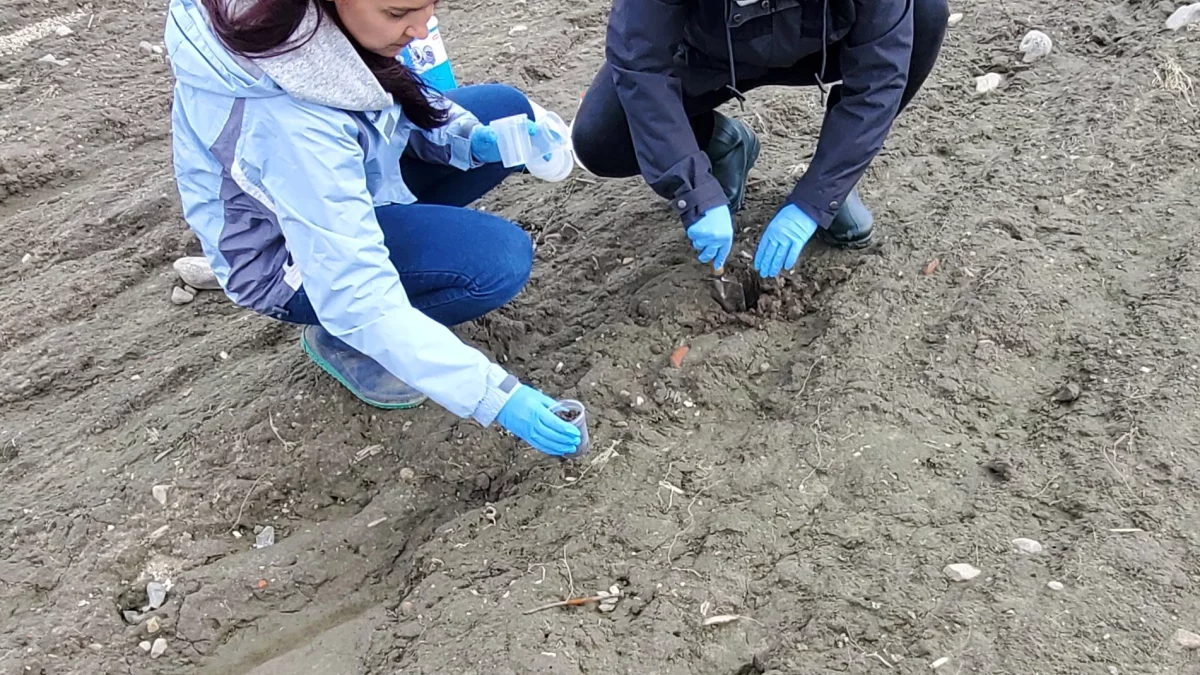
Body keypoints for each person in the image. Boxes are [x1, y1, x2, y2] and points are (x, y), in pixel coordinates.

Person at [165, 0, 582, 456]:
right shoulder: (288, 125)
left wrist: (474, 142)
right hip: (291, 260)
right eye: (399, 13)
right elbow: (354, 289)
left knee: (502, 110)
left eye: (429, 9)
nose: (420, 31)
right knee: (497, 261)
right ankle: (342, 339)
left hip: (346, 178)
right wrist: (497, 397)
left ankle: (396, 269)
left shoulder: (317, 26)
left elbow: (379, 98)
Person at [571, 0, 948, 279]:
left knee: (923, 15)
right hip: (704, 52)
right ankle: (719, 144)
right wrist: (692, 186)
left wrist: (818, 197)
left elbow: (879, 80)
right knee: (602, 140)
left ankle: (834, 178)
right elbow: (641, 64)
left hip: (820, 36)